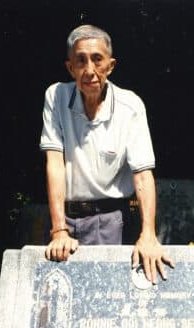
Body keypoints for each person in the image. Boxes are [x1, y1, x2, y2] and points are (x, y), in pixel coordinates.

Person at [40, 24, 174, 284]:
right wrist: (59, 230)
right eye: (81, 61)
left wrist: (148, 234)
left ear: (110, 66)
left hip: (110, 222)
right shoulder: (55, 97)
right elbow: (54, 163)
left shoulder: (130, 106)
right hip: (65, 220)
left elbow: (143, 174)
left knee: (104, 300)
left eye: (97, 60)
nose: (89, 70)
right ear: (70, 68)